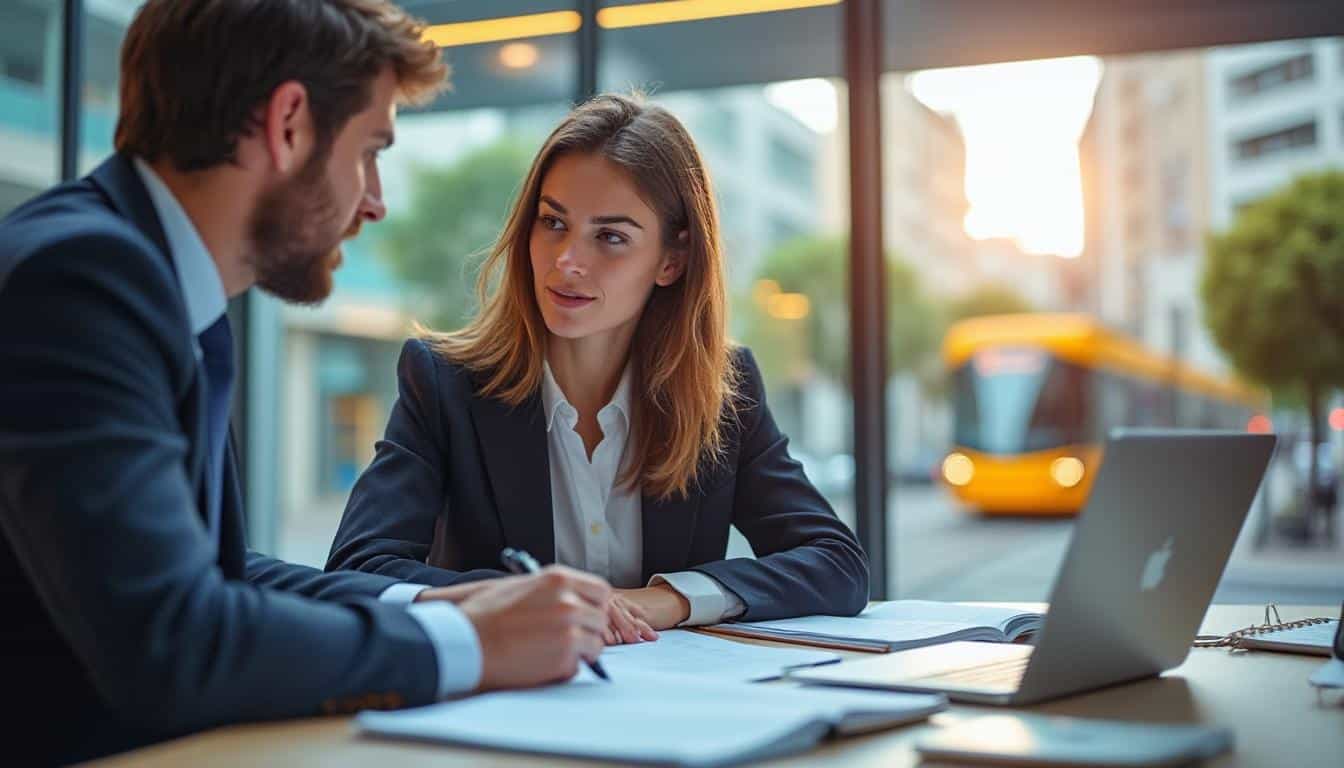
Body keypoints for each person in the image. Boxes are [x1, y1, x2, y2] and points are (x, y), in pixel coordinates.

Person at [0, 2, 610, 764]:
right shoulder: (83, 281)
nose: (376, 200)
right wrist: (468, 643)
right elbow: (172, 641)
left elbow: (216, 575)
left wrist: (435, 602)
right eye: (370, 150)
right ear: (289, 123)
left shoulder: (158, 287)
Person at [326, 94, 869, 644]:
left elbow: (837, 564)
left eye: (610, 237)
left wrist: (666, 600)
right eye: (553, 222)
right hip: (502, 704)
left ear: (671, 261)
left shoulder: (724, 393)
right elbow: (357, 569)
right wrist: (510, 602)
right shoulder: (444, 384)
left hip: (674, 712)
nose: (567, 261)